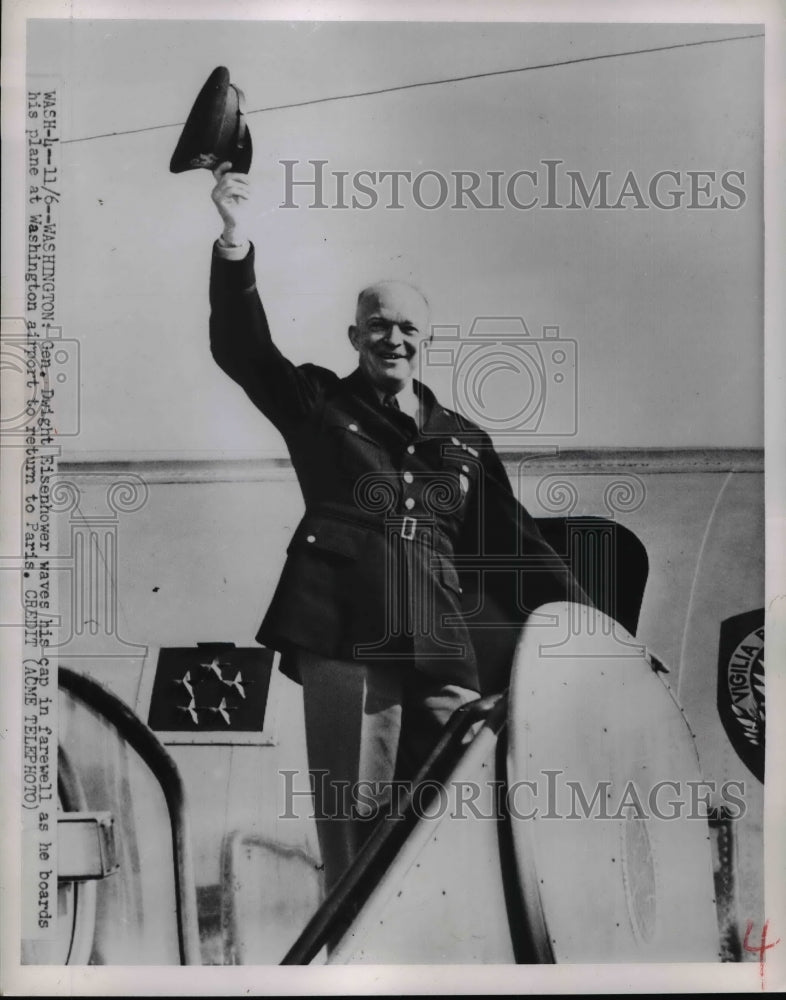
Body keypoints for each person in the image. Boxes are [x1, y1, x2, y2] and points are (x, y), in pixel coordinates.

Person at [207, 162, 588, 893]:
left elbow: (519, 550)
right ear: (354, 334)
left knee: (455, 812)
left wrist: (604, 637)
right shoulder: (318, 403)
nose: (393, 337)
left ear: (428, 340)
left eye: (408, 327)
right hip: (345, 635)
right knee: (356, 825)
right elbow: (243, 350)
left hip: (442, 648)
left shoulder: (463, 440)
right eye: (377, 325)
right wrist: (233, 239)